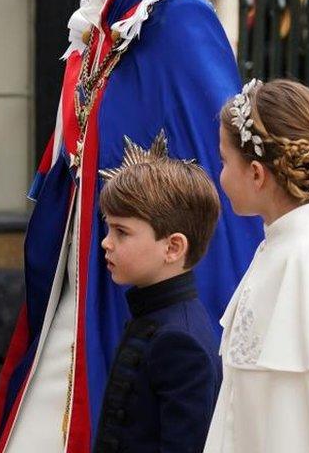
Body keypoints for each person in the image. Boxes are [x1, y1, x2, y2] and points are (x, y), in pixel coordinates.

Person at [0, 0, 261, 453]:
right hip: (78, 291)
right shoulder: (103, 19)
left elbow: (224, 193)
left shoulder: (180, 22)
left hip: (133, 305)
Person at [204, 79, 309, 453]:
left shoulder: (305, 261)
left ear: (256, 174)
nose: (220, 175)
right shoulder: (283, 246)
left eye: (224, 161)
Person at [94, 134, 221, 453]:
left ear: (173, 246)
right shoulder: (152, 315)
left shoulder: (180, 340)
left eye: (121, 232)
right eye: (109, 228)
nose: (106, 242)